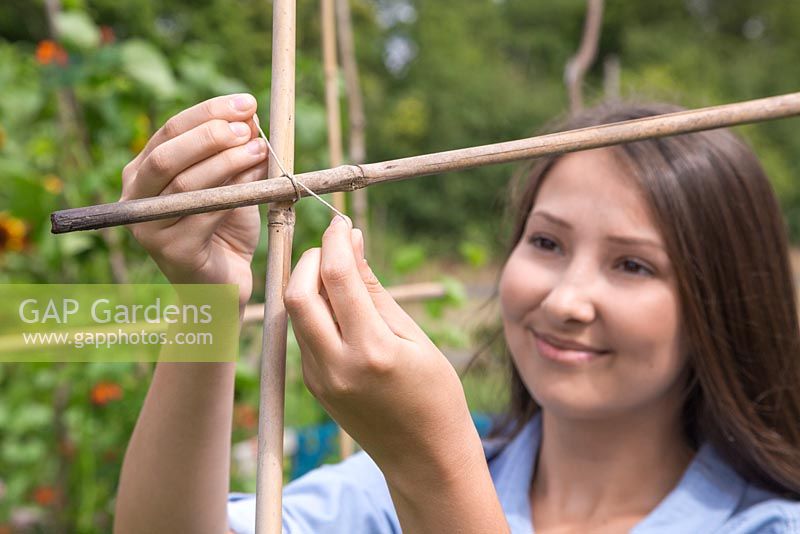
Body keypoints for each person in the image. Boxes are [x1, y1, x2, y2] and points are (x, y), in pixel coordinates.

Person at [113, 94, 800, 533]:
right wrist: (205, 293)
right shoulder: (377, 496)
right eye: (547, 242)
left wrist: (433, 472)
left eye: (633, 265)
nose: (564, 300)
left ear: (724, 299)